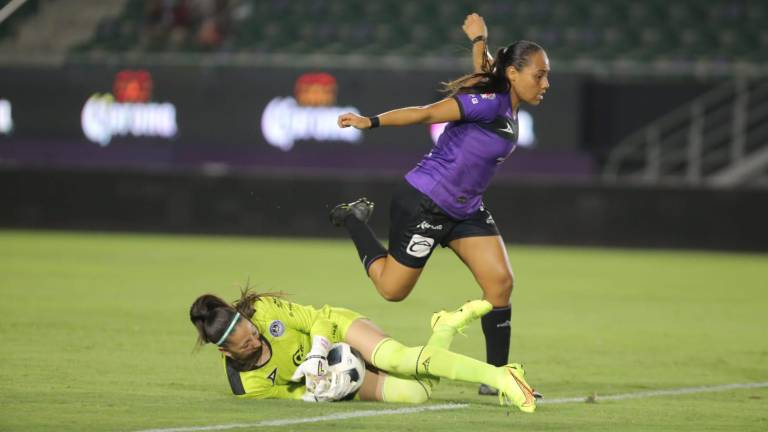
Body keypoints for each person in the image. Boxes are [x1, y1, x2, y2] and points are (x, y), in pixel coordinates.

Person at [331, 13, 550, 395]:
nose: (545, 83)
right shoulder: (487, 103)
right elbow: (426, 113)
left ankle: (497, 379)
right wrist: (371, 121)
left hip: (466, 209)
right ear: (514, 74)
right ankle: (353, 220)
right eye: (540, 75)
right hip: (426, 202)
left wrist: (479, 39)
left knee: (500, 284)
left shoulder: (502, 96)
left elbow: (485, 71)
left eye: (547, 75)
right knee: (392, 290)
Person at [189, 289, 539, 412]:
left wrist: (318, 351)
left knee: (396, 358)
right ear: (226, 353)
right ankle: (446, 325)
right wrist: (316, 391)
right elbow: (288, 394)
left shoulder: (263, 311)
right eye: (242, 341)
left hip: (337, 327)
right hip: (335, 373)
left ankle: (503, 376)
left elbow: (318, 319)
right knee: (414, 393)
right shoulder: (247, 387)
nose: (252, 336)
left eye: (245, 326)